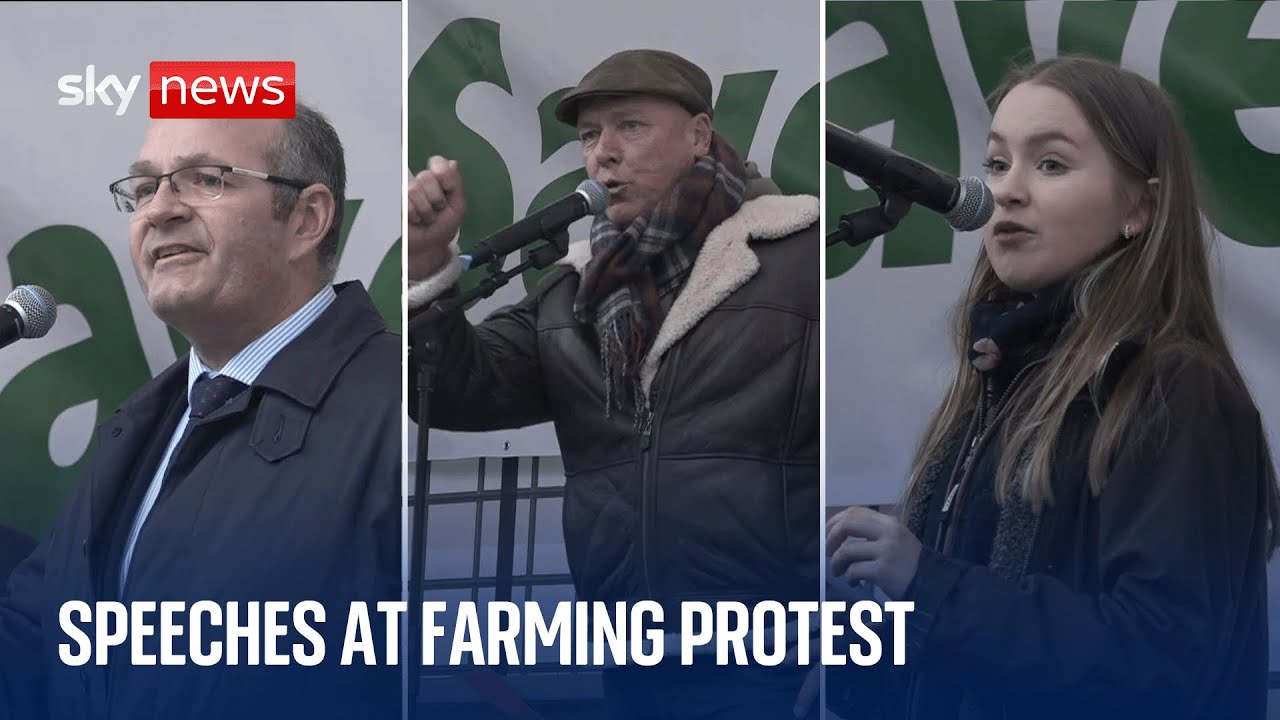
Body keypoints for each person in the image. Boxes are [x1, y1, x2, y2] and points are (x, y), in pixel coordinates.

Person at [819, 55, 1280, 719]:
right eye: (998, 162)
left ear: (1140, 207)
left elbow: (1163, 657)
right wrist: (853, 660)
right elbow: (958, 642)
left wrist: (926, 583)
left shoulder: (1171, 386)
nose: (1006, 191)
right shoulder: (992, 380)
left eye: (1052, 164)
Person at [407, 49, 820, 719]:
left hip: (780, 663)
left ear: (697, 133)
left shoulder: (796, 252)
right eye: (590, 136)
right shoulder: (572, 289)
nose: (604, 154)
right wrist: (427, 267)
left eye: (629, 126)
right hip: (629, 664)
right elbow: (455, 388)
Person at [0, 105, 401, 719]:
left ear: (307, 219)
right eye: (143, 188)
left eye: (205, 178)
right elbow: (36, 645)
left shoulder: (405, 406)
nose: (159, 209)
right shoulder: (142, 427)